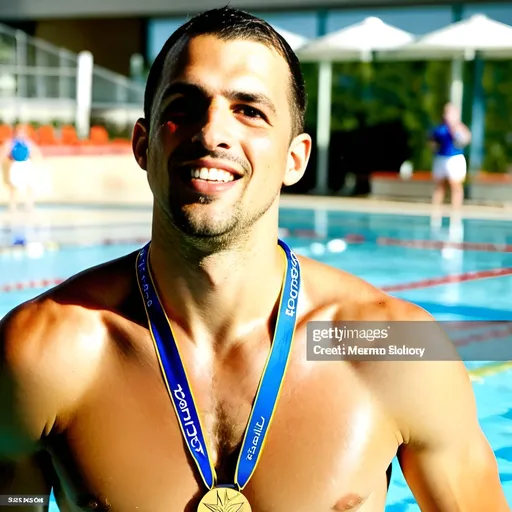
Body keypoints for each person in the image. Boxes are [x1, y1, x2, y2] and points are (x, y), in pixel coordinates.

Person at [0, 8, 509, 512]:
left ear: (295, 158)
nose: (211, 133)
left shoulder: (395, 350)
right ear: (142, 143)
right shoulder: (45, 355)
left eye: (249, 110)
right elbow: (14, 499)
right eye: (184, 105)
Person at [430, 103, 472, 212]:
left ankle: (456, 210)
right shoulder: (440, 129)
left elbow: (466, 139)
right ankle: (436, 210)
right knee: (440, 185)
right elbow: (432, 141)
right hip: (441, 158)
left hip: (455, 158)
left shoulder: (459, 128)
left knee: (456, 185)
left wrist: (455, 128)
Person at [0, 124, 42, 217]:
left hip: (26, 165)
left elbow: (36, 152)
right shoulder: (10, 142)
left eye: (23, 132)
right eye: (19, 132)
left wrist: (35, 158)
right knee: (13, 187)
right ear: (15, 132)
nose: (21, 134)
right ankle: (12, 206)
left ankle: (29, 205)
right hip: (15, 165)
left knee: (30, 185)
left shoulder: (28, 142)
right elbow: (3, 153)